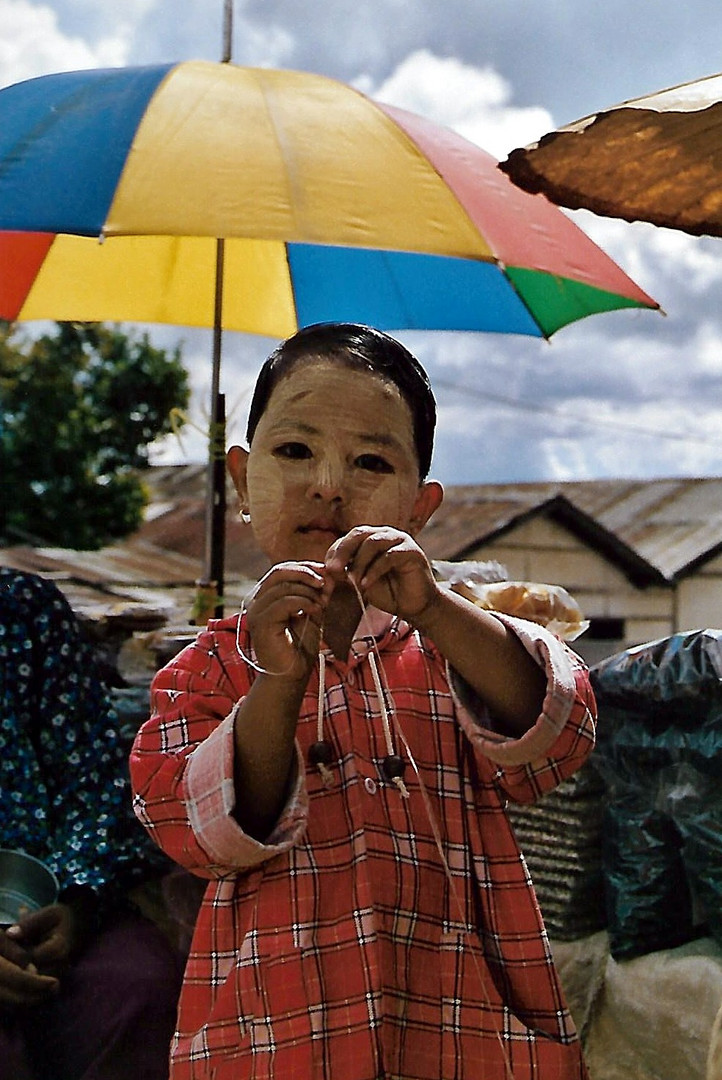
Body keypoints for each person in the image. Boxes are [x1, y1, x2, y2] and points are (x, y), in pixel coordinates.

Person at [130, 323, 597, 1080]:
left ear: (420, 507)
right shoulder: (208, 669)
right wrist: (280, 680)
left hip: (466, 1030)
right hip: (276, 1039)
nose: (328, 484)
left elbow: (559, 735)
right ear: (241, 482)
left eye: (372, 461)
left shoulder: (453, 635)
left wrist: (438, 608)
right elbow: (194, 830)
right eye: (295, 451)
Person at [0, 567, 183, 1080]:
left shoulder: (23, 609)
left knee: (135, 989)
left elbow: (94, 785)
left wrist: (77, 903)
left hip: (46, 901)